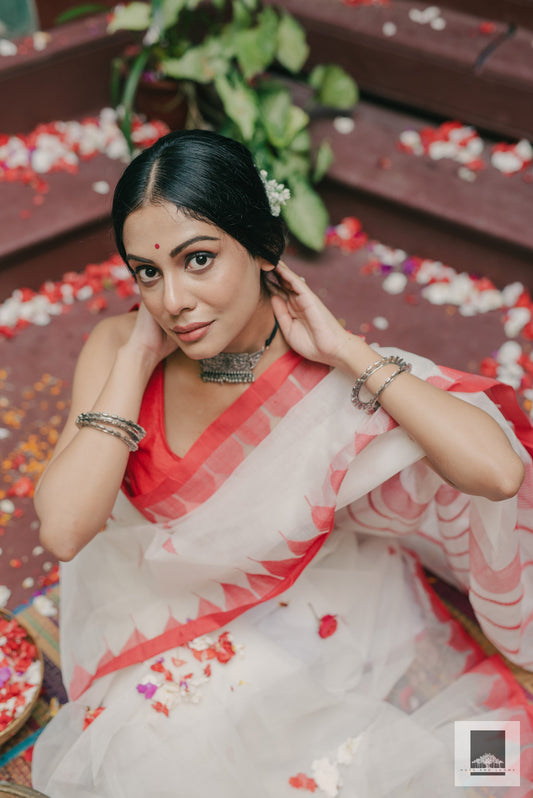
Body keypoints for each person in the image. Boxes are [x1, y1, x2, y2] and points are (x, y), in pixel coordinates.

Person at [32, 130, 533, 797]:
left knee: (428, 756)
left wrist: (348, 352)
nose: (172, 299)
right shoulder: (122, 345)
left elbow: (497, 474)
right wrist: (133, 361)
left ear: (264, 247)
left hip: (309, 603)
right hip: (149, 606)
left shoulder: (320, 378)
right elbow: (65, 531)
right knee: (169, 754)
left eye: (199, 260)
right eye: (148, 272)